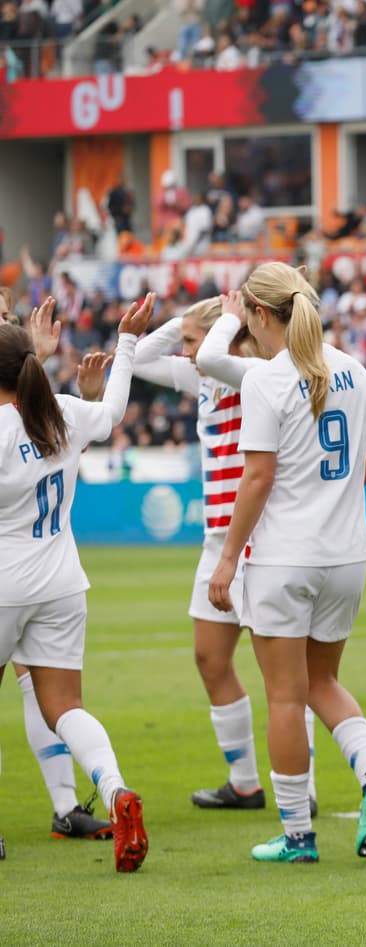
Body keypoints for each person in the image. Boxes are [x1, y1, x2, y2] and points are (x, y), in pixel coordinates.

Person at [207, 262, 366, 863]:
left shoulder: (268, 379)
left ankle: (297, 836)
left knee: (287, 697)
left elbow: (258, 478)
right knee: (323, 682)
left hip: (285, 559)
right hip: (347, 557)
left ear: (260, 315)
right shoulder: (357, 373)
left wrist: (226, 560)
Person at [132, 296, 319, 813]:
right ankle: (244, 783)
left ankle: (301, 788)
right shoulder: (206, 377)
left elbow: (212, 356)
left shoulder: (254, 373)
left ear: (229, 335)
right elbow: (141, 359)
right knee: (210, 659)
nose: (187, 353)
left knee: (285, 674)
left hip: (260, 541)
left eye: (193, 342)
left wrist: (224, 323)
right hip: (217, 540)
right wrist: (182, 322)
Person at [0, 292, 157, 873]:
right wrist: (129, 340)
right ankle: (116, 793)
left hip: (3, 584)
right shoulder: (61, 412)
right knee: (65, 707)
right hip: (62, 582)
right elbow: (113, 409)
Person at [0, 293, 114, 843]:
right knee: (55, 700)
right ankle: (95, 796)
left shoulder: (32, 402)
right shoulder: (47, 401)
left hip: (12, 576)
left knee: (35, 691)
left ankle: (67, 806)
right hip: (56, 577)